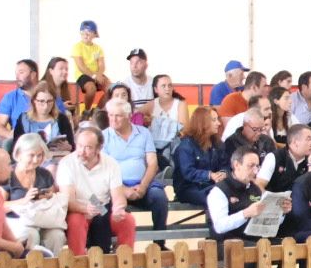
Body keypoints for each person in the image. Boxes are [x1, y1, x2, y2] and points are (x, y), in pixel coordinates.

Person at [57, 126, 136, 255]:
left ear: (98, 149)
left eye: (88, 147)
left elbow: (118, 195)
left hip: (102, 207)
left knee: (127, 220)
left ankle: (124, 263)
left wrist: (118, 209)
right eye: (79, 146)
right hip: (77, 207)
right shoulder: (67, 164)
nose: (82, 152)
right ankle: (78, 265)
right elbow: (68, 200)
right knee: (76, 221)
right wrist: (86, 208)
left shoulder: (111, 163)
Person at [102, 97, 167, 237]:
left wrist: (143, 187)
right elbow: (103, 170)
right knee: (109, 204)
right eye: (110, 115)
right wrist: (123, 190)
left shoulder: (143, 133)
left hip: (142, 185)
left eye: (118, 116)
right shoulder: (104, 136)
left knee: (159, 197)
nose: (113, 119)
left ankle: (160, 242)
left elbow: (152, 164)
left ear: (128, 116)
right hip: (115, 187)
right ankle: (117, 243)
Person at [4, 133, 67, 255]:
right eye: (31, 155)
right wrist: (24, 201)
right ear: (19, 154)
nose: (36, 160)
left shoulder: (45, 174)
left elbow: (52, 196)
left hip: (43, 219)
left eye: (39, 155)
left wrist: (48, 196)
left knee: (57, 236)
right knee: (30, 234)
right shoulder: (8, 175)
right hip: (16, 220)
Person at [205, 147, 270, 246]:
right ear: (237, 165)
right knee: (260, 250)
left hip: (253, 238)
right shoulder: (220, 190)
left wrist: (281, 212)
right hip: (227, 241)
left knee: (283, 246)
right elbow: (220, 226)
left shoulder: (255, 189)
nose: (255, 171)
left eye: (257, 166)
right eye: (251, 166)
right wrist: (245, 213)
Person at [173, 106, 229, 207]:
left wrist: (223, 173)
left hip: (211, 185)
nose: (219, 123)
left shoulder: (217, 143)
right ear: (202, 123)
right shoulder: (186, 146)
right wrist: (210, 175)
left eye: (218, 119)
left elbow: (225, 164)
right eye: (214, 120)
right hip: (189, 188)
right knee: (216, 198)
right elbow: (188, 172)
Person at [72, 20, 109, 114]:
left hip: (96, 74)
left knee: (111, 89)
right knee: (91, 88)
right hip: (83, 75)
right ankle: (87, 111)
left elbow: (101, 64)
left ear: (94, 35)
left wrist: (99, 74)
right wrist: (94, 76)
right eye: (83, 33)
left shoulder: (98, 48)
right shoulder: (77, 47)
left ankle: (97, 111)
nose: (85, 35)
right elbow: (81, 66)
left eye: (88, 33)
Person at [0, 59, 40, 132]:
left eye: (21, 72)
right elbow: (0, 127)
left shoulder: (49, 95)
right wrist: (10, 136)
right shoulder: (10, 97)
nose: (17, 77)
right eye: (16, 73)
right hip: (21, 141)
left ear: (33, 75)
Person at [119, 48, 156, 117]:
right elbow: (124, 113)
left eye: (138, 62)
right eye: (131, 63)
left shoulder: (154, 83)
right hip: (133, 123)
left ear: (146, 65)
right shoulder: (124, 86)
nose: (134, 66)